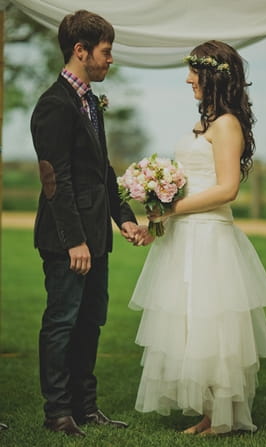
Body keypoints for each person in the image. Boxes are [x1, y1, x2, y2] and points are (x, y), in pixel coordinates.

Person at [128, 40, 266, 437]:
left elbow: (228, 189)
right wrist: (158, 217)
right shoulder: (207, 122)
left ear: (212, 76)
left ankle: (224, 417)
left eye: (194, 72)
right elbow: (191, 184)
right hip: (185, 235)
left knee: (211, 324)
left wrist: (171, 210)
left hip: (209, 237)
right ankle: (212, 414)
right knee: (191, 324)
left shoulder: (226, 124)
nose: (188, 79)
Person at [30, 10, 142, 437]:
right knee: (62, 322)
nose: (110, 60)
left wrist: (124, 219)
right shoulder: (54, 105)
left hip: (97, 238)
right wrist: (74, 240)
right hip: (67, 242)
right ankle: (57, 413)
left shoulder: (91, 102)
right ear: (81, 51)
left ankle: (85, 407)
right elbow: (53, 177)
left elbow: (102, 172)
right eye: (106, 52)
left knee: (90, 321)